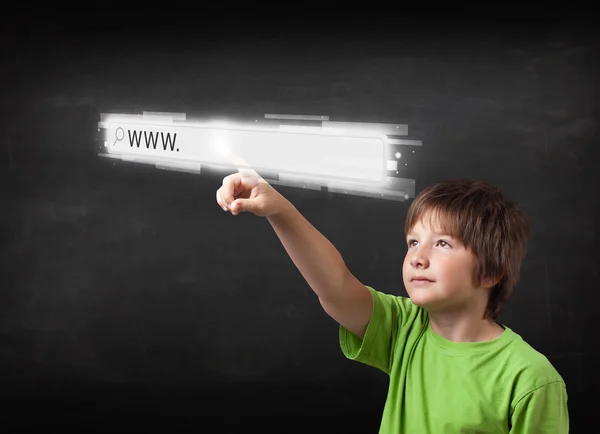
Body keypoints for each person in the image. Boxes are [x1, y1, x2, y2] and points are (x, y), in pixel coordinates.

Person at [216, 168, 569, 433]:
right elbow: (335, 287)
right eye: (413, 242)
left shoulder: (530, 379)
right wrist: (277, 208)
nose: (418, 257)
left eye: (442, 243)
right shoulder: (405, 327)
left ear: (491, 273)